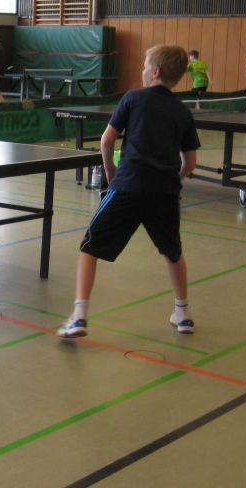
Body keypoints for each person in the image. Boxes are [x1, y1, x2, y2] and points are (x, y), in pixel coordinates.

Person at [59, 44, 201, 338]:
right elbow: (190, 163)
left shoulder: (132, 98)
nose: (142, 70)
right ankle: (183, 314)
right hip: (164, 193)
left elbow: (106, 141)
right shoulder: (183, 112)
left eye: (145, 66)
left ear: (155, 72)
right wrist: (173, 179)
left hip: (128, 186)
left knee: (89, 247)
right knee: (173, 252)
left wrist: (111, 174)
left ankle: (79, 317)